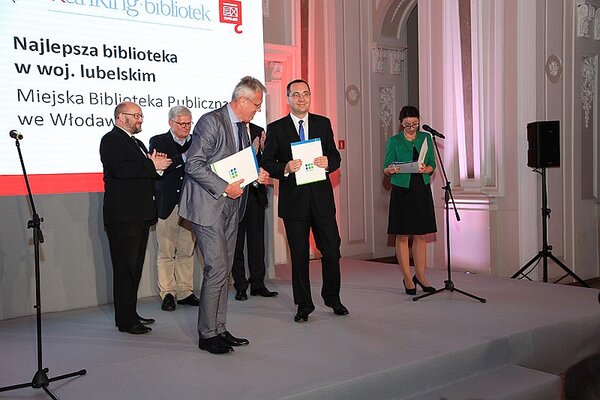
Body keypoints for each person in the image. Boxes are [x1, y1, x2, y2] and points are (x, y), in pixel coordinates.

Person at [179, 76, 269, 354]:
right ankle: (207, 335)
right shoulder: (211, 122)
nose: (258, 110)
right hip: (207, 206)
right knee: (217, 268)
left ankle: (219, 328)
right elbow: (193, 164)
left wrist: (255, 175)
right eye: (256, 105)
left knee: (224, 269)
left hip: (232, 206)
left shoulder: (243, 128)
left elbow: (237, 166)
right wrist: (224, 187)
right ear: (241, 100)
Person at [262, 79, 348, 323]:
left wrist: (329, 163)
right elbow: (266, 162)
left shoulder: (323, 123)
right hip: (294, 203)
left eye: (306, 94)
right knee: (299, 256)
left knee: (331, 251)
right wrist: (285, 168)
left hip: (322, 201)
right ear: (287, 98)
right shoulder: (276, 128)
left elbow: (335, 156)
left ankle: (332, 298)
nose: (302, 98)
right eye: (296, 94)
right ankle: (303, 304)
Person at [100, 101, 172, 334]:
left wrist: (157, 167)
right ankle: (125, 320)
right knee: (125, 269)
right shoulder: (111, 140)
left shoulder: (138, 142)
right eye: (136, 115)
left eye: (141, 115)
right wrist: (152, 165)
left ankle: (130, 313)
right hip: (124, 216)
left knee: (135, 267)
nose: (140, 119)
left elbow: (143, 173)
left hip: (139, 214)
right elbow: (121, 170)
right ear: (121, 117)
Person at [383, 105, 437, 295]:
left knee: (421, 235)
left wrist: (426, 169)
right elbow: (386, 168)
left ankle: (420, 276)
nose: (412, 128)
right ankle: (407, 278)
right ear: (401, 124)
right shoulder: (394, 141)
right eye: (408, 125)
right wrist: (391, 169)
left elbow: (432, 163)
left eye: (415, 124)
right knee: (403, 235)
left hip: (421, 188)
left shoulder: (426, 138)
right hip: (402, 189)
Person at [149, 106, 199, 312]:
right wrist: (186, 157)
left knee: (187, 250)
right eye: (182, 123)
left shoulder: (197, 141)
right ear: (171, 123)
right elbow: (164, 166)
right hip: (167, 203)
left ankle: (185, 291)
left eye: (189, 123)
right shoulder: (158, 141)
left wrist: (181, 159)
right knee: (166, 252)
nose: (186, 127)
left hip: (191, 203)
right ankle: (168, 293)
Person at [231, 122, 278, 301]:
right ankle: (240, 285)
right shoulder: (229, 130)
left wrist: (264, 150)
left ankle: (258, 283)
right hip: (236, 195)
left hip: (256, 195)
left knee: (257, 242)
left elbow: (267, 164)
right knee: (236, 244)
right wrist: (250, 152)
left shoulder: (259, 130)